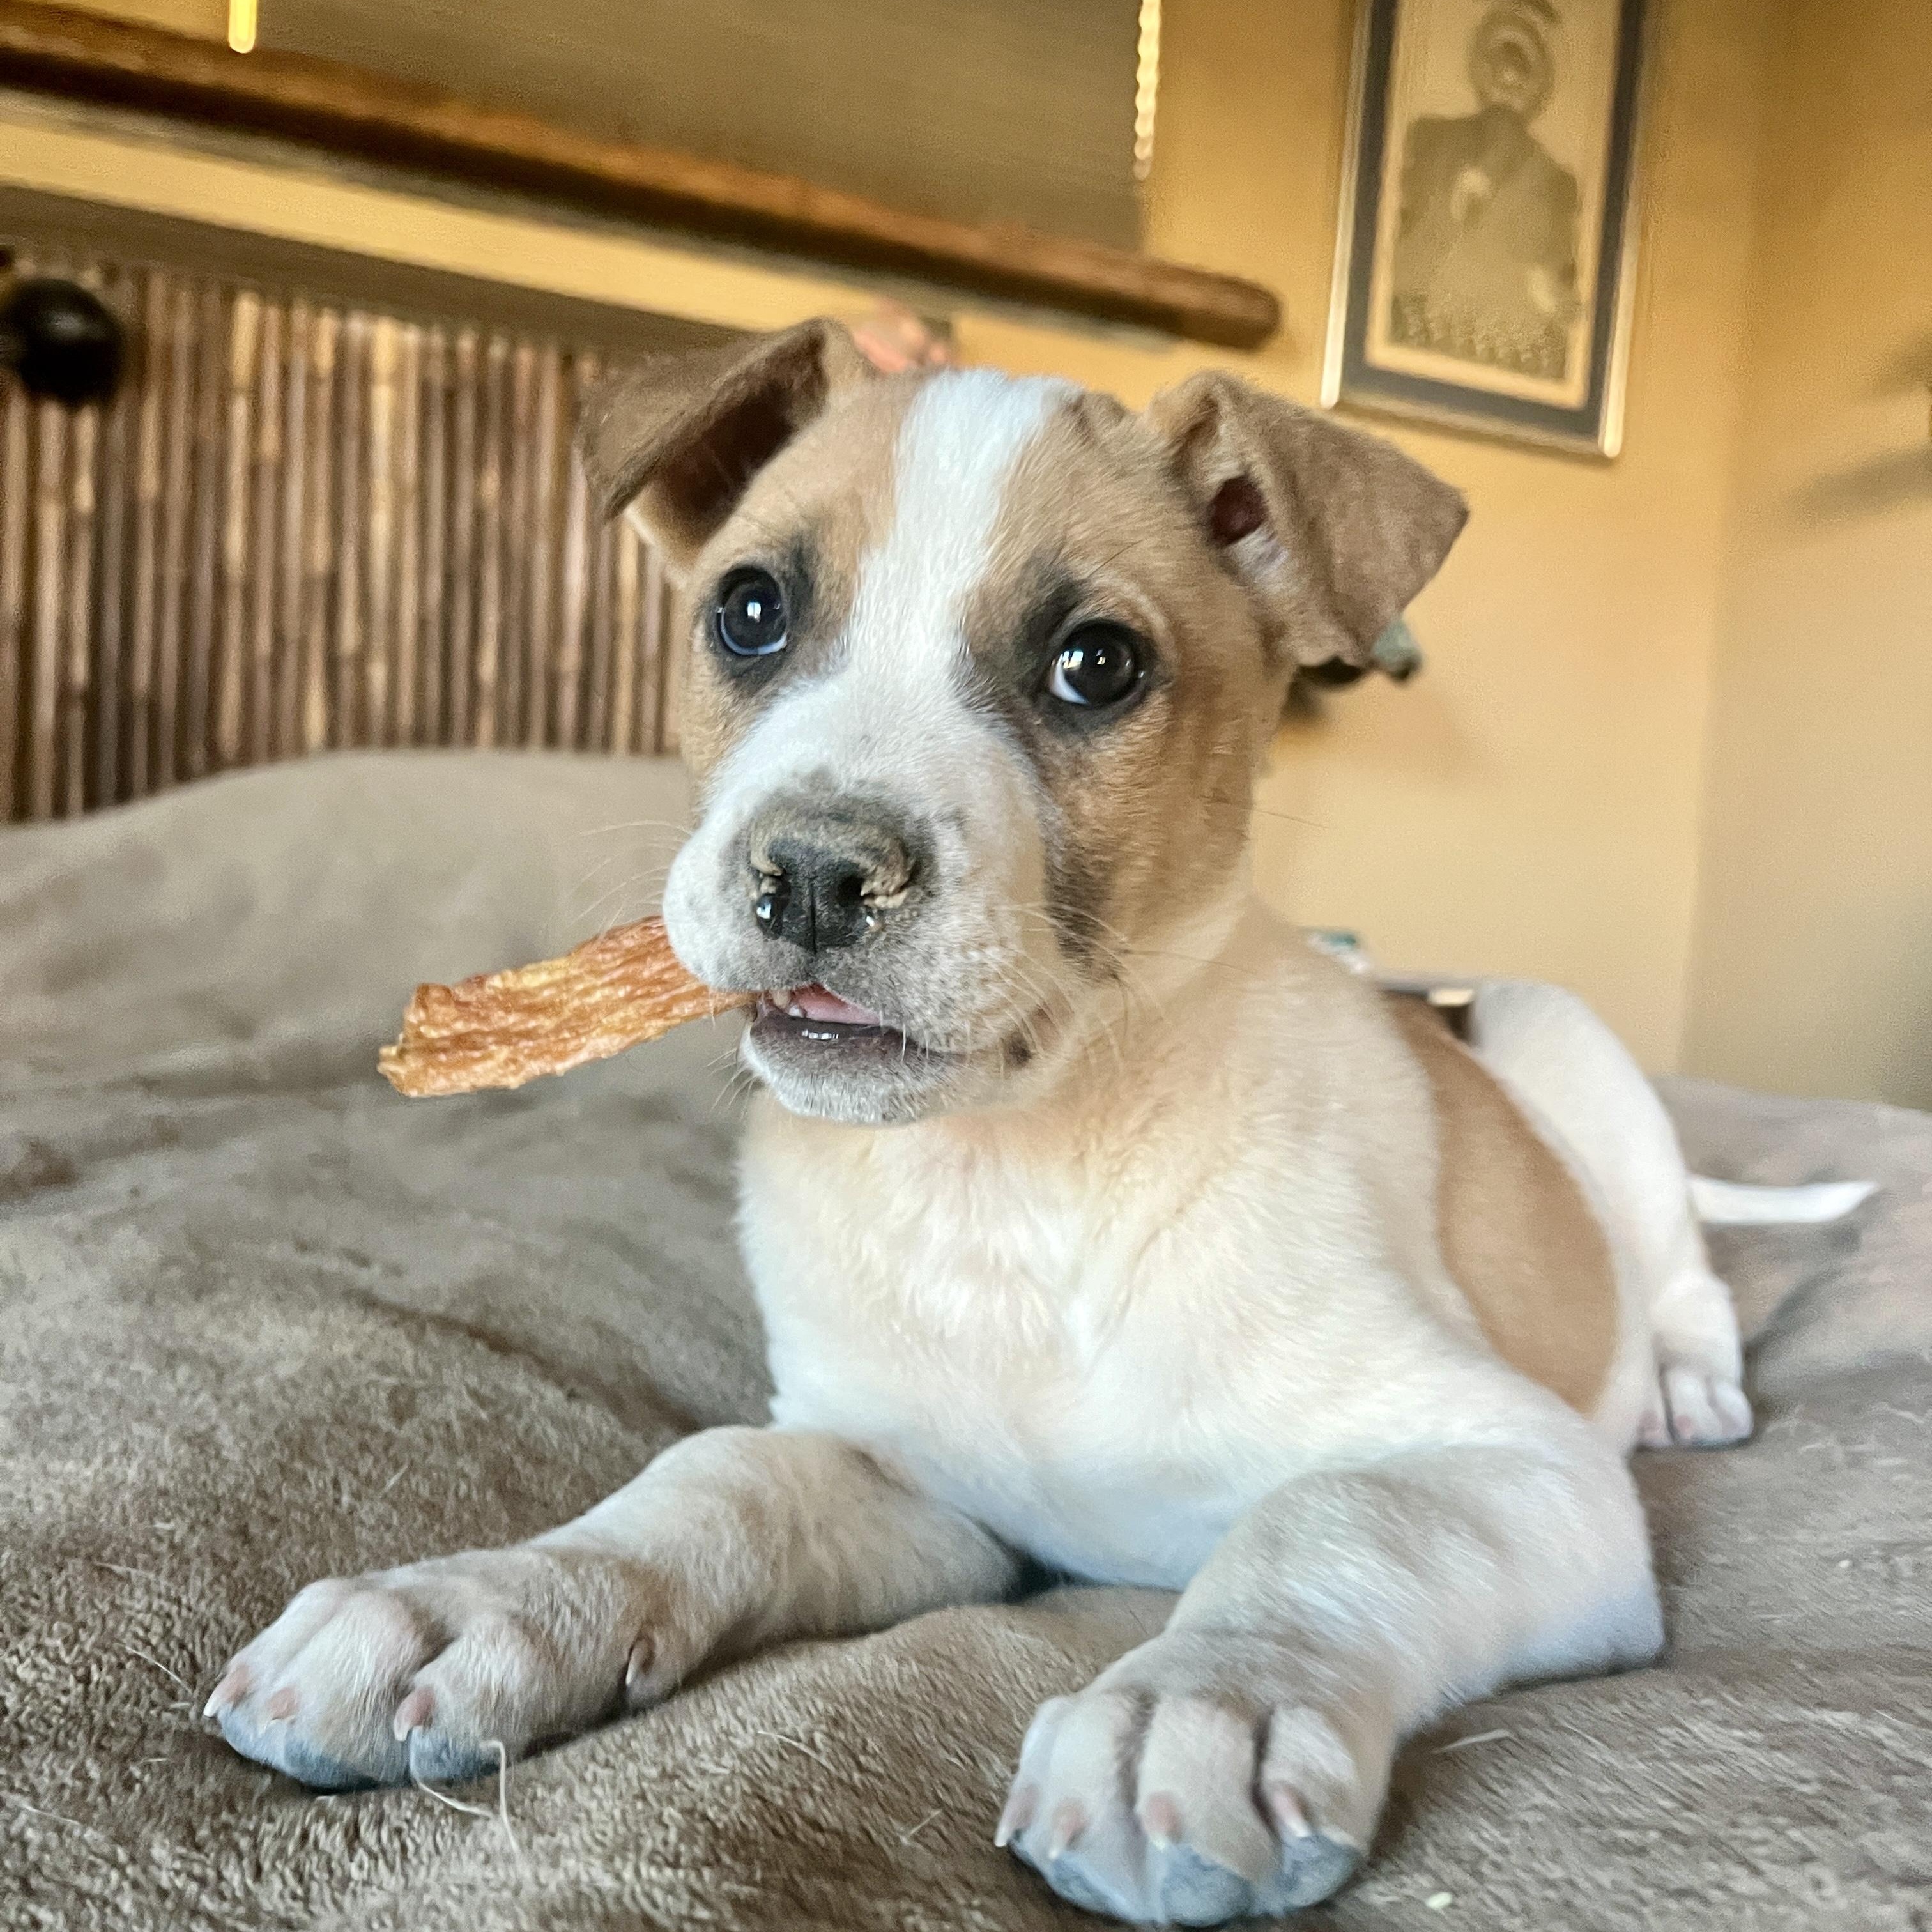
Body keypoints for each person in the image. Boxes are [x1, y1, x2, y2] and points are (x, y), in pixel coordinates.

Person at [1388, 0, 1581, 383]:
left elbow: (1561, 297)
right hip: (1421, 330)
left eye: (1522, 68)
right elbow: (1402, 245)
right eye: (1499, 63)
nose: (1508, 80)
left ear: (1539, 78)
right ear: (1482, 66)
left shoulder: (1558, 184)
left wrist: (1548, 293)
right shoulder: (1430, 140)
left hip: (1512, 350)